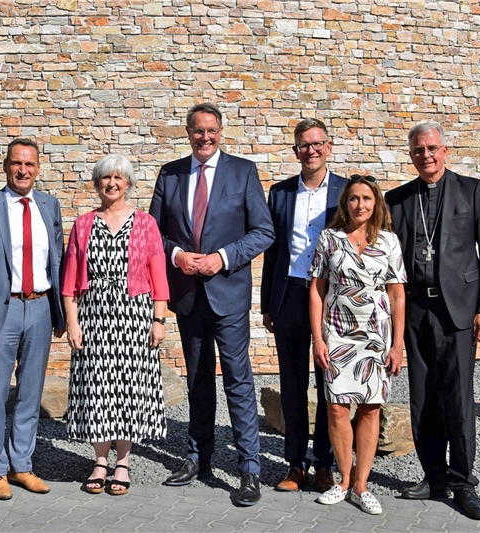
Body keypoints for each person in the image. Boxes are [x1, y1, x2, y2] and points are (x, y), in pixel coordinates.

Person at [149, 102, 275, 506]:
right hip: (188, 294)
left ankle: (249, 469)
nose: (205, 137)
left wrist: (223, 257)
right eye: (197, 131)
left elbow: (263, 231)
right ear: (188, 133)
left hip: (228, 293)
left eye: (212, 131)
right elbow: (154, 233)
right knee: (197, 379)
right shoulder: (170, 174)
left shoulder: (242, 172)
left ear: (221, 131)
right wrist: (176, 257)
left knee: (238, 380)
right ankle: (197, 457)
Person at [385, 122, 480, 520]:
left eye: (432, 148)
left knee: (458, 398)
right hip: (416, 310)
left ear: (445, 150)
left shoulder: (471, 190)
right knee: (423, 399)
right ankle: (434, 476)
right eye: (418, 150)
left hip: (458, 311)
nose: (426, 156)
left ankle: (463, 482)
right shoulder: (398, 199)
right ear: (411, 154)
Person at [0, 138, 65, 500]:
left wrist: (62, 312)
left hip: (39, 306)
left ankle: (22, 465)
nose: (23, 170)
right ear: (6, 166)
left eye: (30, 164)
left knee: (30, 392)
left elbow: (58, 259)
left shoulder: (50, 206)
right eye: (16, 163)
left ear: (38, 168)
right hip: (0, 312)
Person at [61, 154, 170, 496]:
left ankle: (122, 462)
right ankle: (99, 461)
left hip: (135, 314)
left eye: (118, 178)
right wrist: (72, 322)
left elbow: (158, 274)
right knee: (97, 388)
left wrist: (159, 319)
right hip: (94, 315)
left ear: (128, 183)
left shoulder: (146, 223)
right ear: (96, 183)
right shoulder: (83, 224)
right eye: (105, 178)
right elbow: (69, 280)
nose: (111, 183)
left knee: (128, 387)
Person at [309, 174, 407, 515]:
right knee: (336, 407)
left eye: (366, 198)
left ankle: (362, 486)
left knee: (370, 408)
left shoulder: (390, 242)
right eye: (353, 198)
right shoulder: (329, 239)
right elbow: (317, 290)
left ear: (376, 203)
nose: (360, 204)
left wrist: (397, 345)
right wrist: (318, 338)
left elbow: (397, 296)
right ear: (345, 203)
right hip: (336, 334)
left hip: (376, 337)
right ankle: (344, 480)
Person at [260, 118, 344, 493]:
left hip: (333, 295)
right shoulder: (279, 193)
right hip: (290, 294)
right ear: (295, 151)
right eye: (303, 145)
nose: (310, 150)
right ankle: (296, 465)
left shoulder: (346, 192)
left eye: (317, 143)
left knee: (329, 381)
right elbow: (272, 251)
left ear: (328, 147)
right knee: (292, 382)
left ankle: (325, 464)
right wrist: (267, 303)